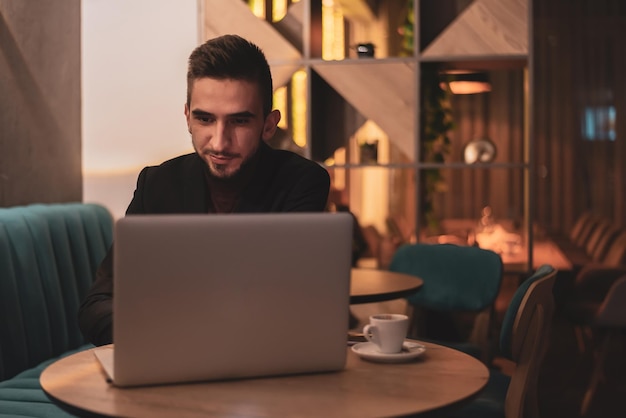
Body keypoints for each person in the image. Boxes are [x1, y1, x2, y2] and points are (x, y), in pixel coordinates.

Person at [78, 34, 330, 346]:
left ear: (268, 125)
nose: (220, 142)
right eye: (205, 119)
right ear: (187, 117)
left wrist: (169, 318)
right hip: (168, 360)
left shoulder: (302, 182)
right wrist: (167, 336)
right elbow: (98, 304)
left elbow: (288, 303)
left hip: (260, 368)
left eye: (239, 121)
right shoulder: (156, 184)